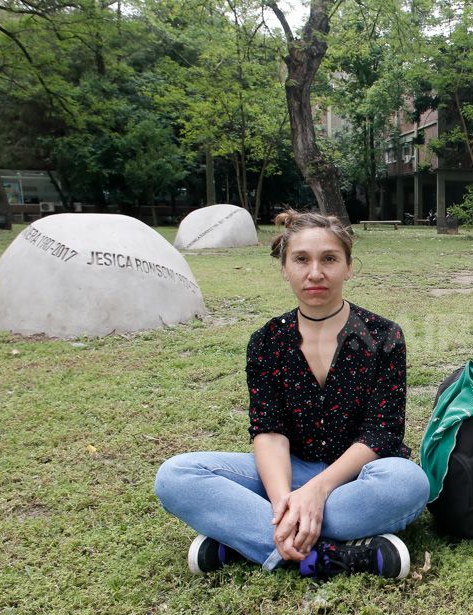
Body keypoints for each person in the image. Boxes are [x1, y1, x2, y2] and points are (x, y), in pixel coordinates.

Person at [154, 209, 429, 580]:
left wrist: (317, 491)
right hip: (289, 471)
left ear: (348, 267)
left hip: (357, 477)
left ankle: (242, 538)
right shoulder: (267, 341)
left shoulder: (383, 336)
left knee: (408, 483)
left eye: (328, 259)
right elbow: (269, 431)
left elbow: (383, 432)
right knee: (176, 476)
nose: (315, 273)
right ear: (285, 268)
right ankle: (330, 554)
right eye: (301, 259)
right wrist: (284, 499)